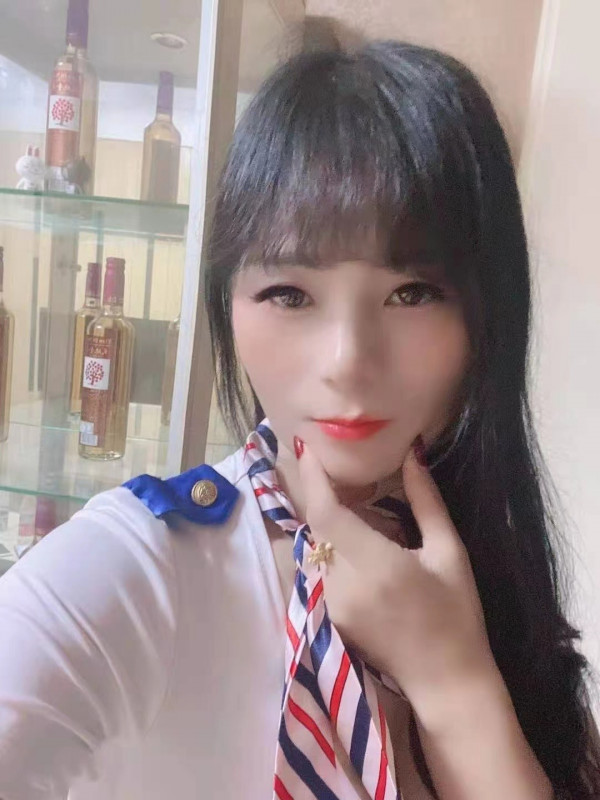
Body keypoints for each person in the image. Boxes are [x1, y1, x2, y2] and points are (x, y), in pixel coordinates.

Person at [0, 38, 599, 800]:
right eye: (289, 293)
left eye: (412, 292)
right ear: (228, 302)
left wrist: (454, 683)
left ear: (490, 313)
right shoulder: (143, 567)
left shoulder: (504, 581)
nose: (347, 360)